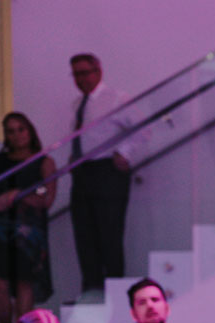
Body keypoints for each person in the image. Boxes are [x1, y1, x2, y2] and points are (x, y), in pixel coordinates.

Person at [68, 53, 142, 300]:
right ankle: (91, 296)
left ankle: (116, 297)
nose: (80, 78)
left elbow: (143, 127)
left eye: (84, 72)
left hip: (107, 172)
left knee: (109, 236)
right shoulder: (78, 104)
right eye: (76, 74)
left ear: (98, 71)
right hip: (83, 173)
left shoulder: (117, 98)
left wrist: (124, 153)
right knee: (85, 238)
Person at [0, 113, 56, 323]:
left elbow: (47, 199)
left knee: (24, 281)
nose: (17, 135)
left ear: (30, 130)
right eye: (11, 131)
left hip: (28, 230)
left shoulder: (43, 161)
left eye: (21, 129)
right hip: (0, 227)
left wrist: (18, 196)